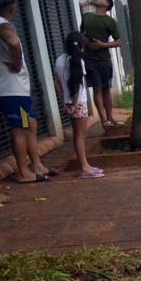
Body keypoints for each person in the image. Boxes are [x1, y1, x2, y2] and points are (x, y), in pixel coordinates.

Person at [0, 0, 54, 184]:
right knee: (20, 129)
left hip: (16, 89)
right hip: (11, 89)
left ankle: (36, 164)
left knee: (31, 124)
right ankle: (23, 171)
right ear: (13, 7)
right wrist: (17, 62)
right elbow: (13, 42)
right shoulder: (4, 26)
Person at [54, 32, 103, 179]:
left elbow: (56, 81)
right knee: (81, 136)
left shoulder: (60, 60)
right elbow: (77, 84)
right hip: (78, 102)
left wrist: (64, 99)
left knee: (77, 135)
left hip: (69, 102)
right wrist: (75, 104)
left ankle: (85, 165)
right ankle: (84, 167)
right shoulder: (78, 61)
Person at [79, 0, 123, 127]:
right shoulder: (87, 16)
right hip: (89, 58)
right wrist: (83, 39)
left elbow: (119, 42)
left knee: (106, 89)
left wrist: (103, 45)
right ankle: (104, 120)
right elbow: (82, 34)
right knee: (97, 88)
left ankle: (111, 117)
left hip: (104, 59)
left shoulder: (110, 21)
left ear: (106, 5)